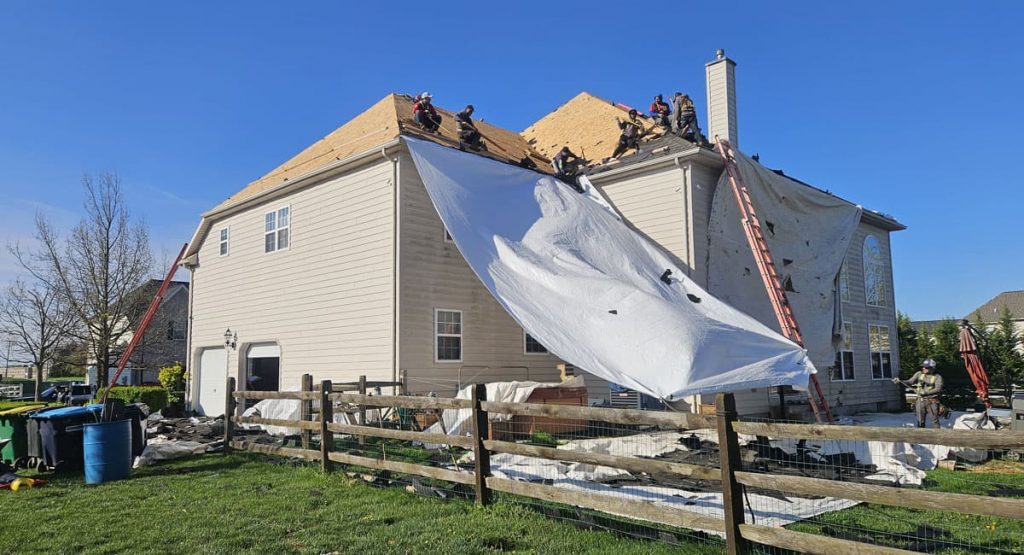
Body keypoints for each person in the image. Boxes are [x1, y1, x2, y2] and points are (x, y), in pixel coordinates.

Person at [893, 358, 944, 428]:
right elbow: (910, 382)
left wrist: (925, 392)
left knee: (934, 421)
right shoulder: (919, 374)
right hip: (920, 401)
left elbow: (938, 389)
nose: (923, 368)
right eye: (923, 366)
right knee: (920, 421)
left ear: (932, 368)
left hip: (932, 401)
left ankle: (938, 436)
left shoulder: (938, 377)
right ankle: (921, 437)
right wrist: (900, 381)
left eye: (926, 367)